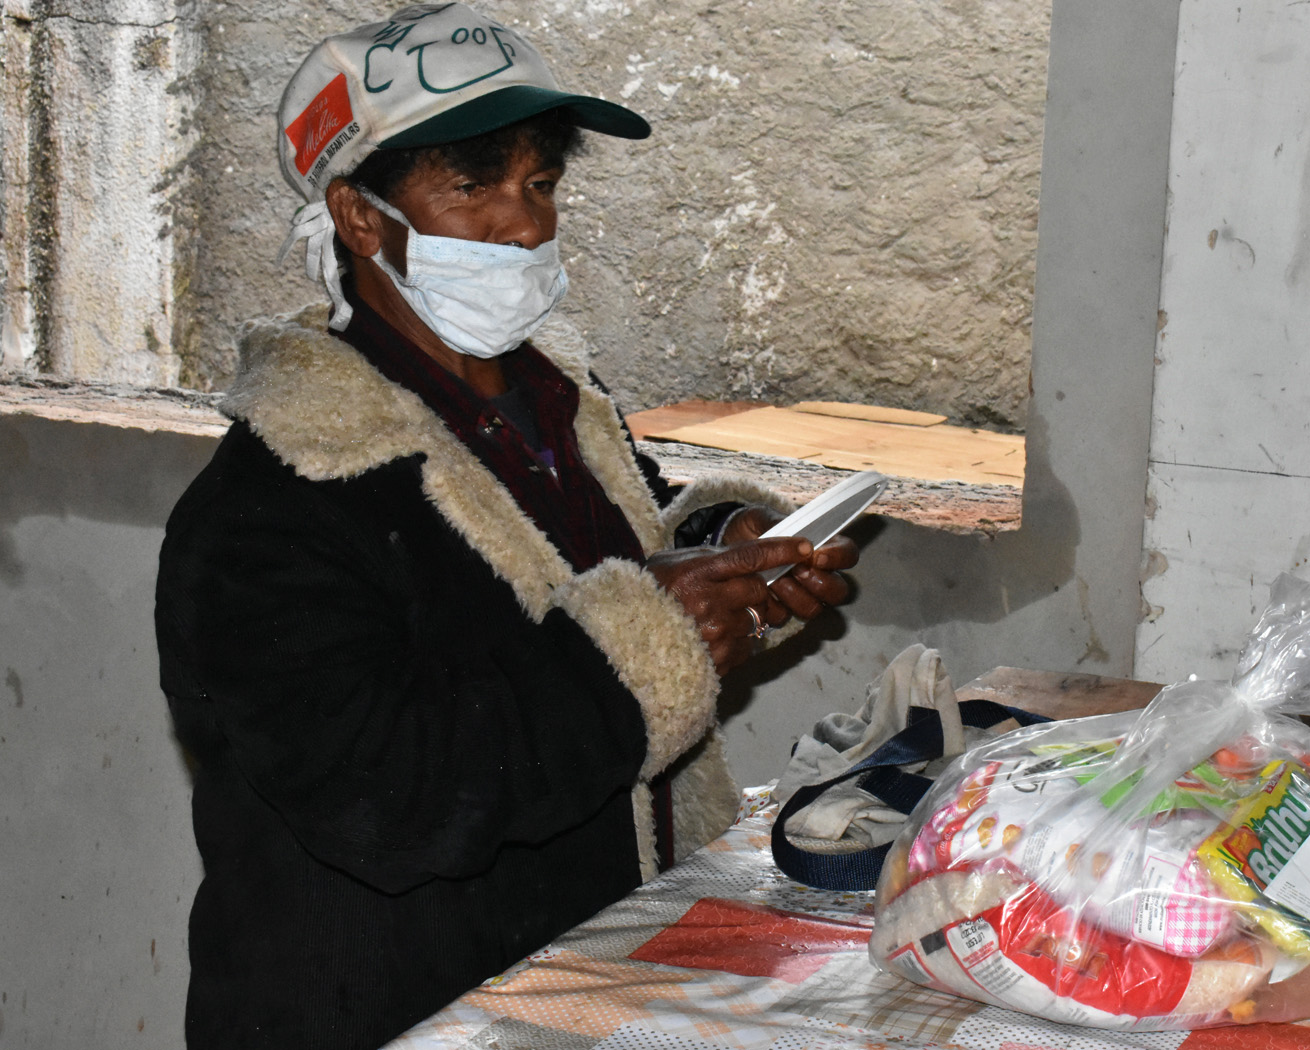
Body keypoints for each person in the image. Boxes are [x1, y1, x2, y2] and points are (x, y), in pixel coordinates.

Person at [153, 5, 858, 1047]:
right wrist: (648, 643)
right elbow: (392, 801)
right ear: (357, 217)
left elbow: (592, 565)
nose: (525, 227)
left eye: (540, 184)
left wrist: (722, 553)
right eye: (472, 187)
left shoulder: (552, 403)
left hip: (578, 978)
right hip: (386, 1012)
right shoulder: (268, 511)